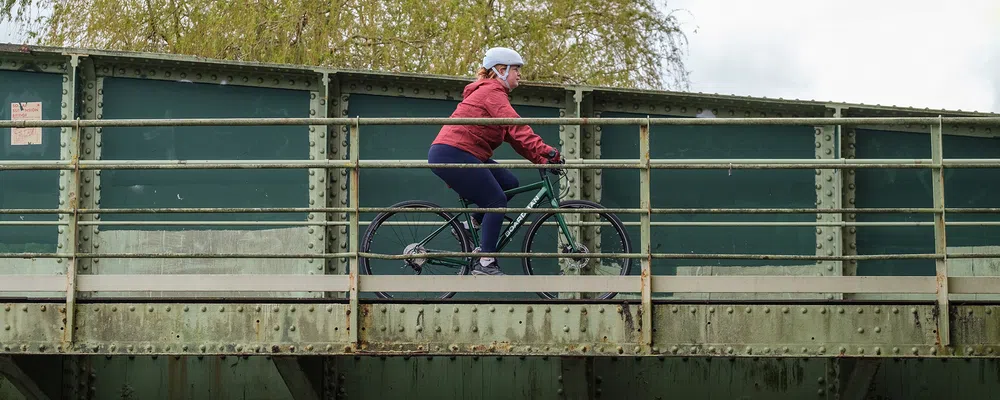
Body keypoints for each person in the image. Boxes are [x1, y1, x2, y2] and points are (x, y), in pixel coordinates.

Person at [427, 47, 563, 276]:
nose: (520, 74)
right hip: (452, 153)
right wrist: (548, 150)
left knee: (509, 183)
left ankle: (471, 228)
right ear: (501, 70)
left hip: (463, 152)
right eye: (516, 69)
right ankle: (486, 263)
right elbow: (517, 127)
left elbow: (516, 138)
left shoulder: (492, 94)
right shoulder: (492, 92)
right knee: (495, 199)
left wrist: (542, 159)